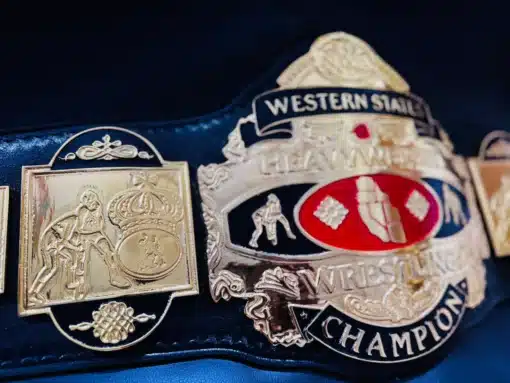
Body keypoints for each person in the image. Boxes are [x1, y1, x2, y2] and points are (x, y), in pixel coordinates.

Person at [28, 190, 131, 306]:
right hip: (50, 241)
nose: (94, 203)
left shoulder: (94, 211)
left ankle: (113, 277)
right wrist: (76, 248)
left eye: (94, 200)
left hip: (64, 240)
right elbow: (64, 241)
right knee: (50, 267)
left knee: (103, 251)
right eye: (90, 200)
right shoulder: (74, 219)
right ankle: (32, 294)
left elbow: (98, 228)